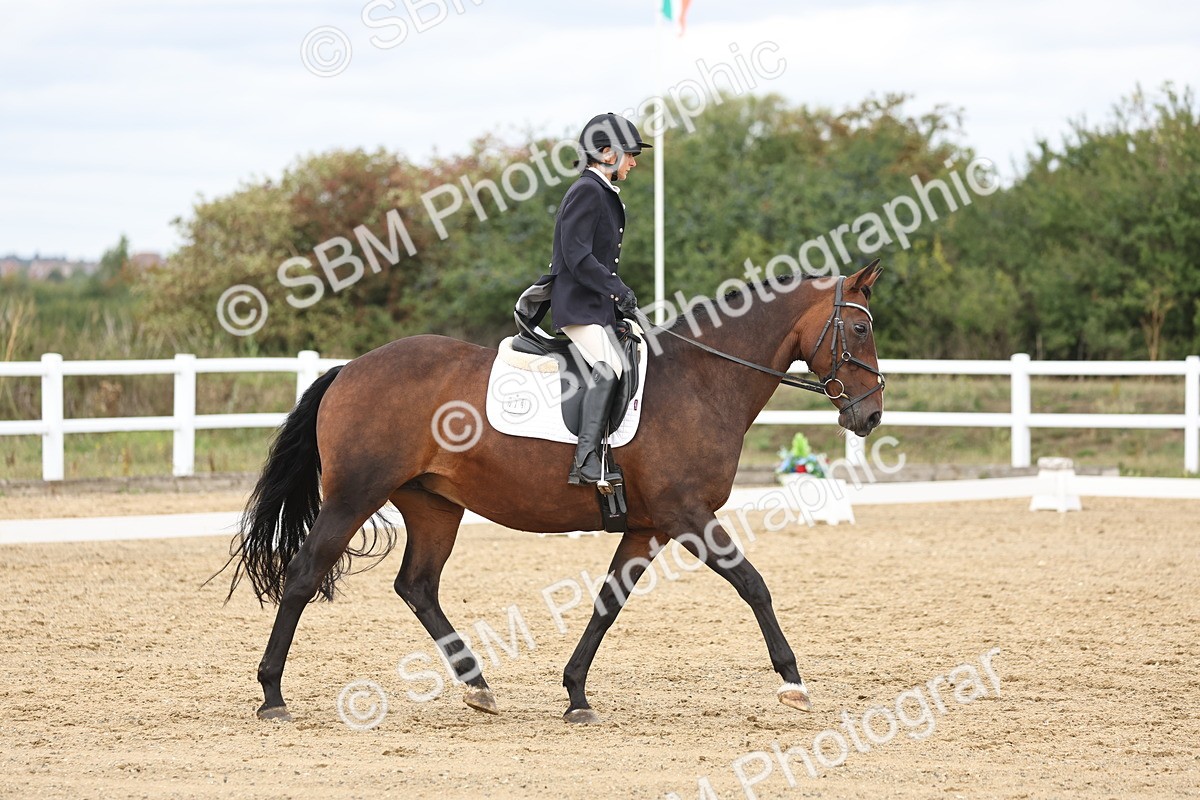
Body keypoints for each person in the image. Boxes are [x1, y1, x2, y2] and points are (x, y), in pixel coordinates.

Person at [550, 112, 650, 486]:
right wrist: (617, 289)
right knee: (611, 366)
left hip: (595, 306)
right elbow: (577, 257)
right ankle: (586, 459)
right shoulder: (587, 190)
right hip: (577, 305)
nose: (633, 162)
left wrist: (614, 308)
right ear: (606, 153)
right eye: (630, 154)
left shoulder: (602, 191)